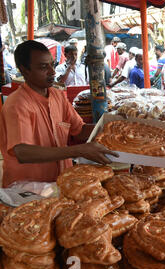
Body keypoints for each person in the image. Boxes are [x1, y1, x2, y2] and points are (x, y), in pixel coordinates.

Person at [0, 40, 118, 188]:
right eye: (43, 67)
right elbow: (22, 152)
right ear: (24, 70)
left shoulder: (57, 95)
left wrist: (113, 126)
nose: (52, 72)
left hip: (60, 182)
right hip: (27, 189)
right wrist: (78, 151)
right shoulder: (17, 104)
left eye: (52, 65)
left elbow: (79, 130)